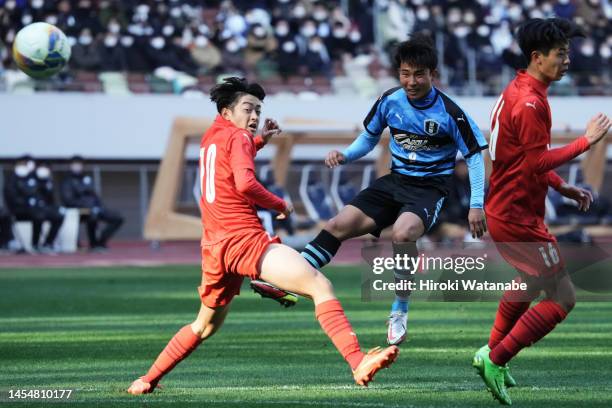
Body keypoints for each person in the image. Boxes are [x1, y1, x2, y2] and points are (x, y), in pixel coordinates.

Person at [126, 77, 399, 395]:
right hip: (243, 239)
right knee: (318, 284)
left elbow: (232, 160)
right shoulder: (238, 137)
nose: (254, 117)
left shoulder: (211, 137)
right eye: (248, 109)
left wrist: (261, 141)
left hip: (215, 247)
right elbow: (244, 183)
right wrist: (280, 203)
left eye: (258, 110)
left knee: (204, 326)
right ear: (227, 112)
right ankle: (357, 360)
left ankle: (147, 379)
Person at [252, 35, 488, 346]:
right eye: (405, 73)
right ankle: (288, 281)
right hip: (395, 180)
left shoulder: (450, 112)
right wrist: (345, 154)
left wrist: (476, 204)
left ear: (433, 74)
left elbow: (474, 157)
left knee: (403, 234)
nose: (411, 81)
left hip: (430, 188)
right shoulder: (390, 101)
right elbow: (369, 137)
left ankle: (400, 309)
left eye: (419, 74)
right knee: (337, 225)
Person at [472, 18, 611, 406]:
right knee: (563, 298)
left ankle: (490, 352)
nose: (567, 60)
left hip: (508, 208)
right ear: (537, 57)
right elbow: (534, 163)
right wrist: (587, 141)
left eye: (568, 52)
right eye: (561, 54)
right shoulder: (532, 102)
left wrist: (561, 186)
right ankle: (497, 358)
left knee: (529, 282)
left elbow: (521, 160)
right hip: (518, 217)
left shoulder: (518, 89)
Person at [60, 156, 123, 251]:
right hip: (79, 210)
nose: (77, 166)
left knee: (117, 218)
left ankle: (101, 241)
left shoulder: (87, 178)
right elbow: (68, 200)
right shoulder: (67, 180)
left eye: (79, 164)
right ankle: (93, 244)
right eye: (75, 164)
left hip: (94, 208)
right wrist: (86, 206)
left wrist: (100, 206)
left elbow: (94, 195)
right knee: (92, 215)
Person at [3, 156, 64, 253]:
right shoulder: (13, 179)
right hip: (21, 210)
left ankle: (47, 243)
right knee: (37, 216)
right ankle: (32, 243)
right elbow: (11, 197)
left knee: (58, 216)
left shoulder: (37, 178)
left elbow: (48, 197)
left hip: (39, 209)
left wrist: (46, 181)